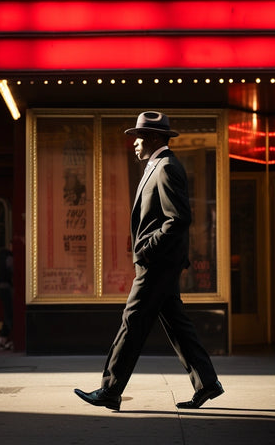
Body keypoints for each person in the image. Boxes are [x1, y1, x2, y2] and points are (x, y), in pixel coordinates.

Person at [74, 111, 223, 411]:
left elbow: (178, 220)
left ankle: (110, 390)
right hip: (159, 265)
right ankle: (207, 382)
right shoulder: (156, 167)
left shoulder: (166, 168)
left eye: (139, 137)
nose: (134, 144)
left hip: (157, 265)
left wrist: (146, 249)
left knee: (132, 322)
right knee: (177, 324)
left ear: (155, 138)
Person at [0, 240, 14, 350]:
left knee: (8, 313)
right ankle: (4, 338)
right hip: (8, 288)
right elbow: (13, 271)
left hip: (2, 287)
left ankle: (3, 338)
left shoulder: (1, 256)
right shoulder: (9, 257)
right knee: (10, 313)